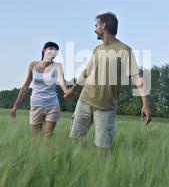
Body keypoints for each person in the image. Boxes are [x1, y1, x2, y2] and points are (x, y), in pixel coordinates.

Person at [64, 12, 152, 149]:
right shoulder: (97, 49)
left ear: (103, 26)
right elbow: (86, 72)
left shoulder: (124, 50)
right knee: (75, 139)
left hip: (105, 107)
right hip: (84, 101)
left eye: (96, 25)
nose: (94, 29)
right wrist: (73, 89)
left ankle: (101, 169)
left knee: (103, 148)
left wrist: (145, 104)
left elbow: (137, 76)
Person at [11, 42, 68, 137]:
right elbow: (25, 86)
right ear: (44, 50)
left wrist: (66, 91)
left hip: (52, 105)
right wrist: (15, 106)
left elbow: (61, 81)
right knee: (35, 138)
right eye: (51, 48)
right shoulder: (33, 65)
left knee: (48, 138)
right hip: (36, 104)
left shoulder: (57, 66)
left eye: (55, 50)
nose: (53, 51)